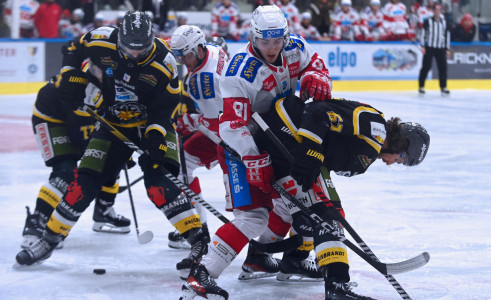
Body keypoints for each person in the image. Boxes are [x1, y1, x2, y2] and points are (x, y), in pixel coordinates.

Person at [15, 12, 208, 276]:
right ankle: (49, 240)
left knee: (159, 183)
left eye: (142, 49)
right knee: (85, 180)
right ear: (120, 38)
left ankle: (198, 241)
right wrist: (70, 73)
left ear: (152, 40)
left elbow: (165, 111)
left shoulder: (165, 63)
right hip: (112, 123)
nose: (135, 54)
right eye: (129, 48)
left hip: (151, 125)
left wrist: (154, 139)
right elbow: (73, 47)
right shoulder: (101, 38)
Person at [180, 5, 332, 299]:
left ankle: (260, 260)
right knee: (253, 218)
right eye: (265, 42)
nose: (272, 48)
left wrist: (317, 75)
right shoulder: (240, 71)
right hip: (242, 148)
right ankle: (201, 276)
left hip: (279, 142)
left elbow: (315, 63)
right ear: (254, 37)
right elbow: (230, 125)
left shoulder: (295, 47)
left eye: (277, 41)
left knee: (295, 204)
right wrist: (252, 158)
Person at [252, 94, 430, 299]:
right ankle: (337, 285)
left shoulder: (370, 152)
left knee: (317, 213)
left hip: (291, 145)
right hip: (285, 136)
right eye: (401, 158)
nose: (392, 163)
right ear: (401, 142)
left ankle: (293, 260)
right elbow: (317, 112)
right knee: (328, 214)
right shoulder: (375, 126)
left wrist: (314, 153)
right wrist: (312, 150)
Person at [22, 66, 132, 251]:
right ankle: (37, 221)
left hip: (76, 116)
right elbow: (79, 135)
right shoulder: (81, 86)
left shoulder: (113, 76)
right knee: (66, 170)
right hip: (50, 117)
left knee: (112, 157)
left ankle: (103, 211)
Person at [166, 26, 230, 252]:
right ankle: (199, 227)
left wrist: (188, 122)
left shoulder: (201, 81)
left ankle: (202, 230)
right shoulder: (213, 50)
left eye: (186, 55)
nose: (183, 61)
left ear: (199, 48)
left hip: (231, 136)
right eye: (179, 56)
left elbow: (215, 124)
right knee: (185, 160)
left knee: (245, 201)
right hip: (235, 123)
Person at [418, 4, 451, 96]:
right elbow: (423, 33)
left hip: (440, 48)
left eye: (439, 10)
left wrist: (447, 48)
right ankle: (421, 86)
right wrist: (423, 46)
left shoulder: (444, 22)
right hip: (430, 47)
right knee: (426, 67)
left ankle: (443, 87)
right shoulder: (428, 21)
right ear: (433, 11)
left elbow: (447, 35)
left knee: (443, 68)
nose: (437, 11)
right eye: (436, 10)